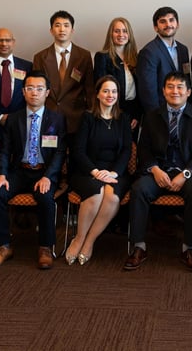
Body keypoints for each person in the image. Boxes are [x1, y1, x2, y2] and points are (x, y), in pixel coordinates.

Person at [124, 72, 192, 273]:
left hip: (189, 174)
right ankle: (138, 246)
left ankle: (188, 248)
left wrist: (186, 174)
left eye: (180, 87)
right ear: (163, 91)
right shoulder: (152, 116)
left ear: (188, 92)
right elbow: (143, 149)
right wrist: (154, 169)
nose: (175, 91)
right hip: (158, 172)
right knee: (139, 189)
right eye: (170, 87)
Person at [0, 70, 67, 270]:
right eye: (30, 88)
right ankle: (2, 246)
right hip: (19, 171)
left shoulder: (56, 119)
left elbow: (60, 153)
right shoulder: (14, 119)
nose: (34, 93)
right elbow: (4, 150)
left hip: (44, 171)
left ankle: (45, 247)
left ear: (47, 93)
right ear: (23, 92)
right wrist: (1, 175)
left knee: (46, 197)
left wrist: (49, 176)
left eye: (39, 89)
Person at [66, 75, 133, 266]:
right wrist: (95, 172)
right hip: (86, 170)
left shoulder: (123, 119)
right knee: (96, 193)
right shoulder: (87, 118)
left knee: (111, 196)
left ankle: (89, 241)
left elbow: (127, 150)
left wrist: (113, 173)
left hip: (115, 172)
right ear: (97, 94)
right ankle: (78, 237)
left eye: (114, 91)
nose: (110, 95)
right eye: (105, 91)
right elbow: (78, 151)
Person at [32, 10, 94, 136]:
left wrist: (90, 114)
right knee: (52, 155)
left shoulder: (84, 56)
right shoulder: (40, 57)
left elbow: (90, 88)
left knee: (76, 155)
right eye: (57, 25)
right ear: (51, 30)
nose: (62, 29)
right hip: (49, 117)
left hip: (77, 118)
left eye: (66, 25)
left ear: (72, 30)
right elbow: (36, 90)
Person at [137, 7, 191, 113]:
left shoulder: (183, 49)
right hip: (161, 112)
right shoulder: (148, 52)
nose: (168, 25)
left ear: (177, 24)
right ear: (156, 27)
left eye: (171, 20)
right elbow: (147, 90)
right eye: (163, 21)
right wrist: (156, 117)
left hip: (182, 110)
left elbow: (186, 79)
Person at [93, 17, 142, 132]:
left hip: (132, 112)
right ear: (111, 34)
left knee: (131, 148)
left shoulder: (136, 58)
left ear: (129, 34)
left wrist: (136, 115)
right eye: (117, 31)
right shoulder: (102, 57)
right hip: (111, 110)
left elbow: (140, 89)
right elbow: (100, 88)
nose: (121, 34)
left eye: (125, 31)